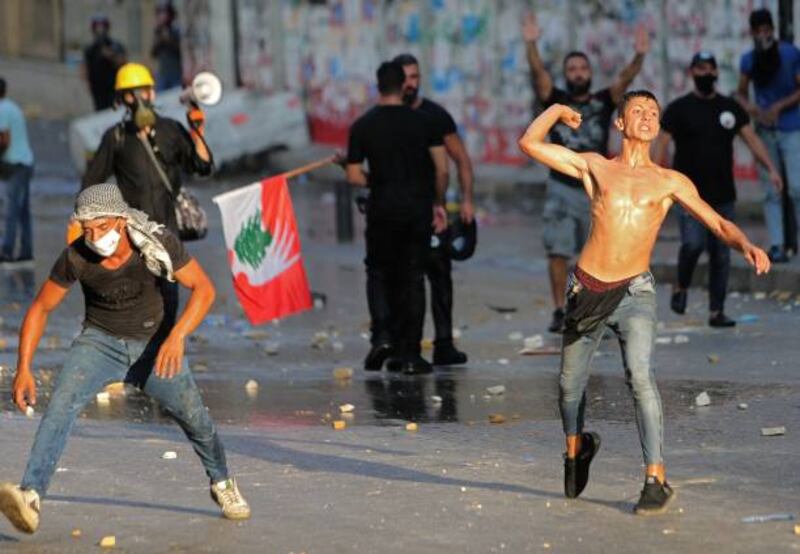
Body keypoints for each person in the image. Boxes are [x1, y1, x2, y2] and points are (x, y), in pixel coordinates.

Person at [518, 91, 770, 514]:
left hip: (636, 292)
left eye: (653, 112)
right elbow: (530, 143)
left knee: (641, 377)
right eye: (638, 110)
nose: (648, 117)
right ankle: (576, 449)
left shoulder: (670, 181)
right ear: (620, 124)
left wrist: (745, 243)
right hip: (588, 289)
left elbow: (716, 220)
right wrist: (558, 111)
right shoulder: (595, 167)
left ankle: (656, 478)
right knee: (567, 387)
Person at [0, 184, 250, 535]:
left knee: (196, 420)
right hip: (100, 343)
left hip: (155, 346)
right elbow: (41, 307)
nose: (94, 236)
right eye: (86, 229)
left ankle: (223, 481)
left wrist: (177, 337)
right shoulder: (76, 257)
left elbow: (205, 289)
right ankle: (31, 495)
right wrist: (23, 367)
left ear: (120, 220)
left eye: (101, 227)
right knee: (59, 406)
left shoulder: (156, 242)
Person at [522, 13, 649, 333]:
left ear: (590, 73)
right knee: (558, 251)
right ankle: (558, 309)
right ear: (566, 75)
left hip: (596, 187)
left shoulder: (604, 100)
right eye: (572, 70)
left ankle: (594, 311)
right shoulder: (556, 101)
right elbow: (538, 74)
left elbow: (626, 78)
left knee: (598, 254)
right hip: (561, 186)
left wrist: (640, 53)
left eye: (582, 68)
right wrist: (531, 44)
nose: (578, 74)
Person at [655, 51, 782, 327]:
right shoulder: (678, 109)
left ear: (716, 72)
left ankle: (717, 311)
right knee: (692, 245)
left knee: (721, 255)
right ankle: (681, 285)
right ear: (692, 73)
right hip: (689, 197)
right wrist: (652, 177)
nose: (706, 73)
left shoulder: (729, 108)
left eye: (710, 68)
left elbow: (752, 140)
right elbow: (661, 145)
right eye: (700, 68)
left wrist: (771, 169)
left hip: (723, 195)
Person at [81, 62, 212, 327]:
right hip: (133, 235)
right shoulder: (116, 138)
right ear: (121, 100)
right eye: (132, 93)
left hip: (169, 233)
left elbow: (203, 167)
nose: (139, 98)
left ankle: (162, 351)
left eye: (143, 91)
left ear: (152, 93)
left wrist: (198, 131)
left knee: (169, 297)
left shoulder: (171, 130)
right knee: (138, 298)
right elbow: (90, 185)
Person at [346, 61, 448, 375]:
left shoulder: (363, 125)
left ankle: (382, 337)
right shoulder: (424, 122)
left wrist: (375, 180)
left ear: (378, 86)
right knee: (413, 277)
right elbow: (442, 169)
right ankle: (412, 353)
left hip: (381, 209)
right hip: (417, 209)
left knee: (378, 273)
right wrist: (438, 203)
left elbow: (353, 175)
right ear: (403, 85)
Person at [393, 52, 474, 366]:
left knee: (440, 276)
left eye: (415, 77)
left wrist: (466, 200)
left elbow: (461, 160)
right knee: (404, 282)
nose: (411, 84)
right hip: (401, 214)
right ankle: (404, 347)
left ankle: (443, 343)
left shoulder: (434, 116)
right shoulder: (387, 118)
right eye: (405, 78)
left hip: (435, 212)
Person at [735, 8, 800, 263]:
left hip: (791, 127)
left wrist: (779, 107)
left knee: (797, 187)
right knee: (771, 190)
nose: (763, 35)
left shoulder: (789, 54)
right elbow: (740, 92)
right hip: (764, 130)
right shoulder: (749, 60)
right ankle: (777, 245)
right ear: (752, 33)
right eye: (758, 31)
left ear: (772, 29)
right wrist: (752, 109)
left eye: (766, 30)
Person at [0, 77, 35, 264]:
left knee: (12, 209)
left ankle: (6, 251)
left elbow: (4, 140)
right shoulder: (11, 106)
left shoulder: (2, 109)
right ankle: (26, 251)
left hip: (15, 165)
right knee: (22, 210)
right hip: (26, 162)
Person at [82, 14, 126, 111]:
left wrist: (111, 56)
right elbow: (86, 67)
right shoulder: (91, 49)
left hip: (113, 87)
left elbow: (123, 63)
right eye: (97, 27)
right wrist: (88, 83)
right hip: (97, 88)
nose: (100, 30)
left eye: (102, 26)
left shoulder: (115, 45)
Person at [151, 0, 184, 92]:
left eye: (164, 13)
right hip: (163, 74)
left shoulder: (176, 30)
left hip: (176, 73)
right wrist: (159, 39)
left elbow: (180, 50)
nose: (162, 16)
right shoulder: (158, 31)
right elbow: (153, 53)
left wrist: (168, 39)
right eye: (160, 13)